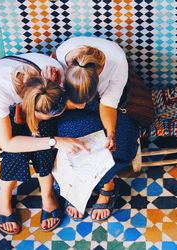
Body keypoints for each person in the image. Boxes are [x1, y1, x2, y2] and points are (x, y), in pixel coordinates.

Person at [0, 53, 88, 234]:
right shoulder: (0, 90)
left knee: (43, 140)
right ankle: (2, 197)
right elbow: (8, 143)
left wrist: (49, 138)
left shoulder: (54, 78)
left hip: (34, 101)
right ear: (31, 110)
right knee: (17, 151)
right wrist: (55, 141)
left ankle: (47, 195)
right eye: (42, 117)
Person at [54, 36, 139, 221]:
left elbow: (108, 104)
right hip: (71, 105)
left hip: (110, 105)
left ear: (99, 74)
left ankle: (107, 184)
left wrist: (111, 133)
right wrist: (72, 103)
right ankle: (77, 186)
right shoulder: (62, 56)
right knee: (73, 140)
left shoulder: (116, 62)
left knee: (117, 144)